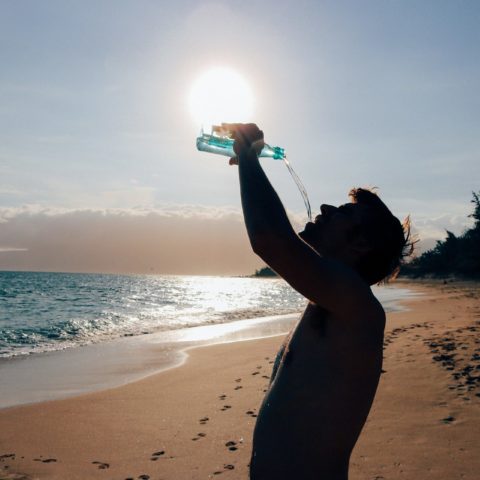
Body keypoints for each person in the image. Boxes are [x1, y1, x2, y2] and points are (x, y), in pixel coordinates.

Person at [226, 123, 413, 480]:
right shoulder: (328, 304)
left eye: (344, 212)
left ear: (359, 244)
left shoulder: (357, 306)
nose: (326, 207)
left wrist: (250, 158)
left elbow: (270, 239)